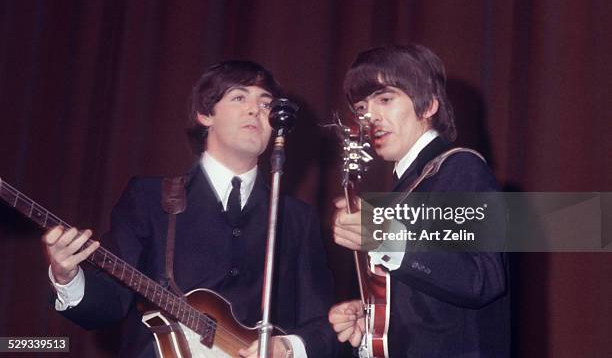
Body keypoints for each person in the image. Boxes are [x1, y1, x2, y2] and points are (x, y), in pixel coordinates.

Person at [43, 60, 338, 358]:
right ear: (205, 114)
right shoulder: (149, 199)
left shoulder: (297, 218)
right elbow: (109, 305)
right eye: (239, 97)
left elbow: (323, 325)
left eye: (265, 104)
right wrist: (67, 277)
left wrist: (288, 346)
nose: (255, 110)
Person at [328, 45, 509, 357]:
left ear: (428, 106)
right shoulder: (405, 187)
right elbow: (432, 298)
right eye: (361, 108)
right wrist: (375, 320)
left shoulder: (460, 167)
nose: (370, 117)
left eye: (385, 99)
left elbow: (483, 278)